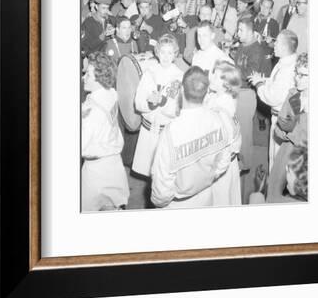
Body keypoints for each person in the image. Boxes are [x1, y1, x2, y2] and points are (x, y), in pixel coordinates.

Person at [151, 66, 234, 209]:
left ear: (182, 91)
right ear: (207, 91)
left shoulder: (171, 132)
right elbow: (225, 160)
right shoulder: (219, 120)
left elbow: (162, 184)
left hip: (177, 204)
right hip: (207, 196)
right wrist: (210, 177)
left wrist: (160, 203)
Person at [81, 52, 129, 211]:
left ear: (99, 78)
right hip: (114, 164)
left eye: (87, 74)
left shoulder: (92, 109)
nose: (83, 77)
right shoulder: (111, 93)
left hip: (95, 172)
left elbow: (81, 145)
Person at [131, 34, 184, 177]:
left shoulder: (178, 77)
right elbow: (138, 102)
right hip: (148, 131)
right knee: (148, 172)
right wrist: (149, 103)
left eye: (170, 53)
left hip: (165, 133)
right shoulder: (150, 72)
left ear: (175, 54)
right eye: (162, 52)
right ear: (157, 52)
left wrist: (163, 102)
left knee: (163, 174)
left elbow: (177, 110)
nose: (166, 57)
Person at [248, 29, 298, 171]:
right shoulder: (287, 61)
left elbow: (273, 97)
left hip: (282, 120)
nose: (274, 45)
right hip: (282, 117)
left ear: (284, 47)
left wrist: (258, 85)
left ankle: (274, 191)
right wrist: (262, 79)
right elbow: (275, 82)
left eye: (277, 43)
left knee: (277, 161)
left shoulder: (287, 69)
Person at [266, 53, 308, 203]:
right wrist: (288, 130)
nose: (298, 78)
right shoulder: (293, 95)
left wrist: (292, 129)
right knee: (273, 191)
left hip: (305, 155)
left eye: (303, 75)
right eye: (297, 73)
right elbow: (278, 130)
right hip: (287, 149)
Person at [205, 61, 243, 205]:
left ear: (226, 84)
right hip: (228, 159)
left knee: (221, 199)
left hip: (222, 162)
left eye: (216, 77)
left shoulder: (222, 107)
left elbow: (222, 142)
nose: (211, 79)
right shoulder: (220, 97)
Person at [230, 17, 272, 87]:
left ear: (249, 32)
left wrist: (230, 70)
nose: (238, 33)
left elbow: (248, 75)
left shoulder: (257, 51)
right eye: (238, 30)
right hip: (236, 82)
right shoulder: (242, 44)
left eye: (241, 30)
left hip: (245, 89)